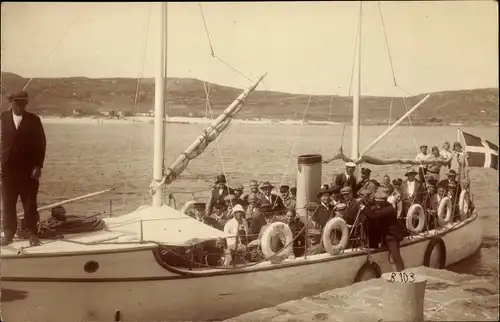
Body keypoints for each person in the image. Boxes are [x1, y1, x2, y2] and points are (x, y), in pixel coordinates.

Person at [1, 91, 46, 246]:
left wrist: (38, 166)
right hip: (7, 170)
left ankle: (32, 233)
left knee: (30, 204)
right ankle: (8, 235)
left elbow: (41, 144)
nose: (21, 105)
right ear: (11, 102)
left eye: (23, 102)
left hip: (28, 172)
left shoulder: (34, 120)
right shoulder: (3, 118)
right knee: (8, 204)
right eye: (17, 102)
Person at [359, 189, 406, 271]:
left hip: (392, 235)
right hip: (384, 234)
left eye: (378, 202)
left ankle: (402, 272)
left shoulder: (389, 209)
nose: (376, 204)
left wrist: (363, 208)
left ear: (383, 201)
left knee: (396, 255)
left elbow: (374, 215)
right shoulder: (383, 206)